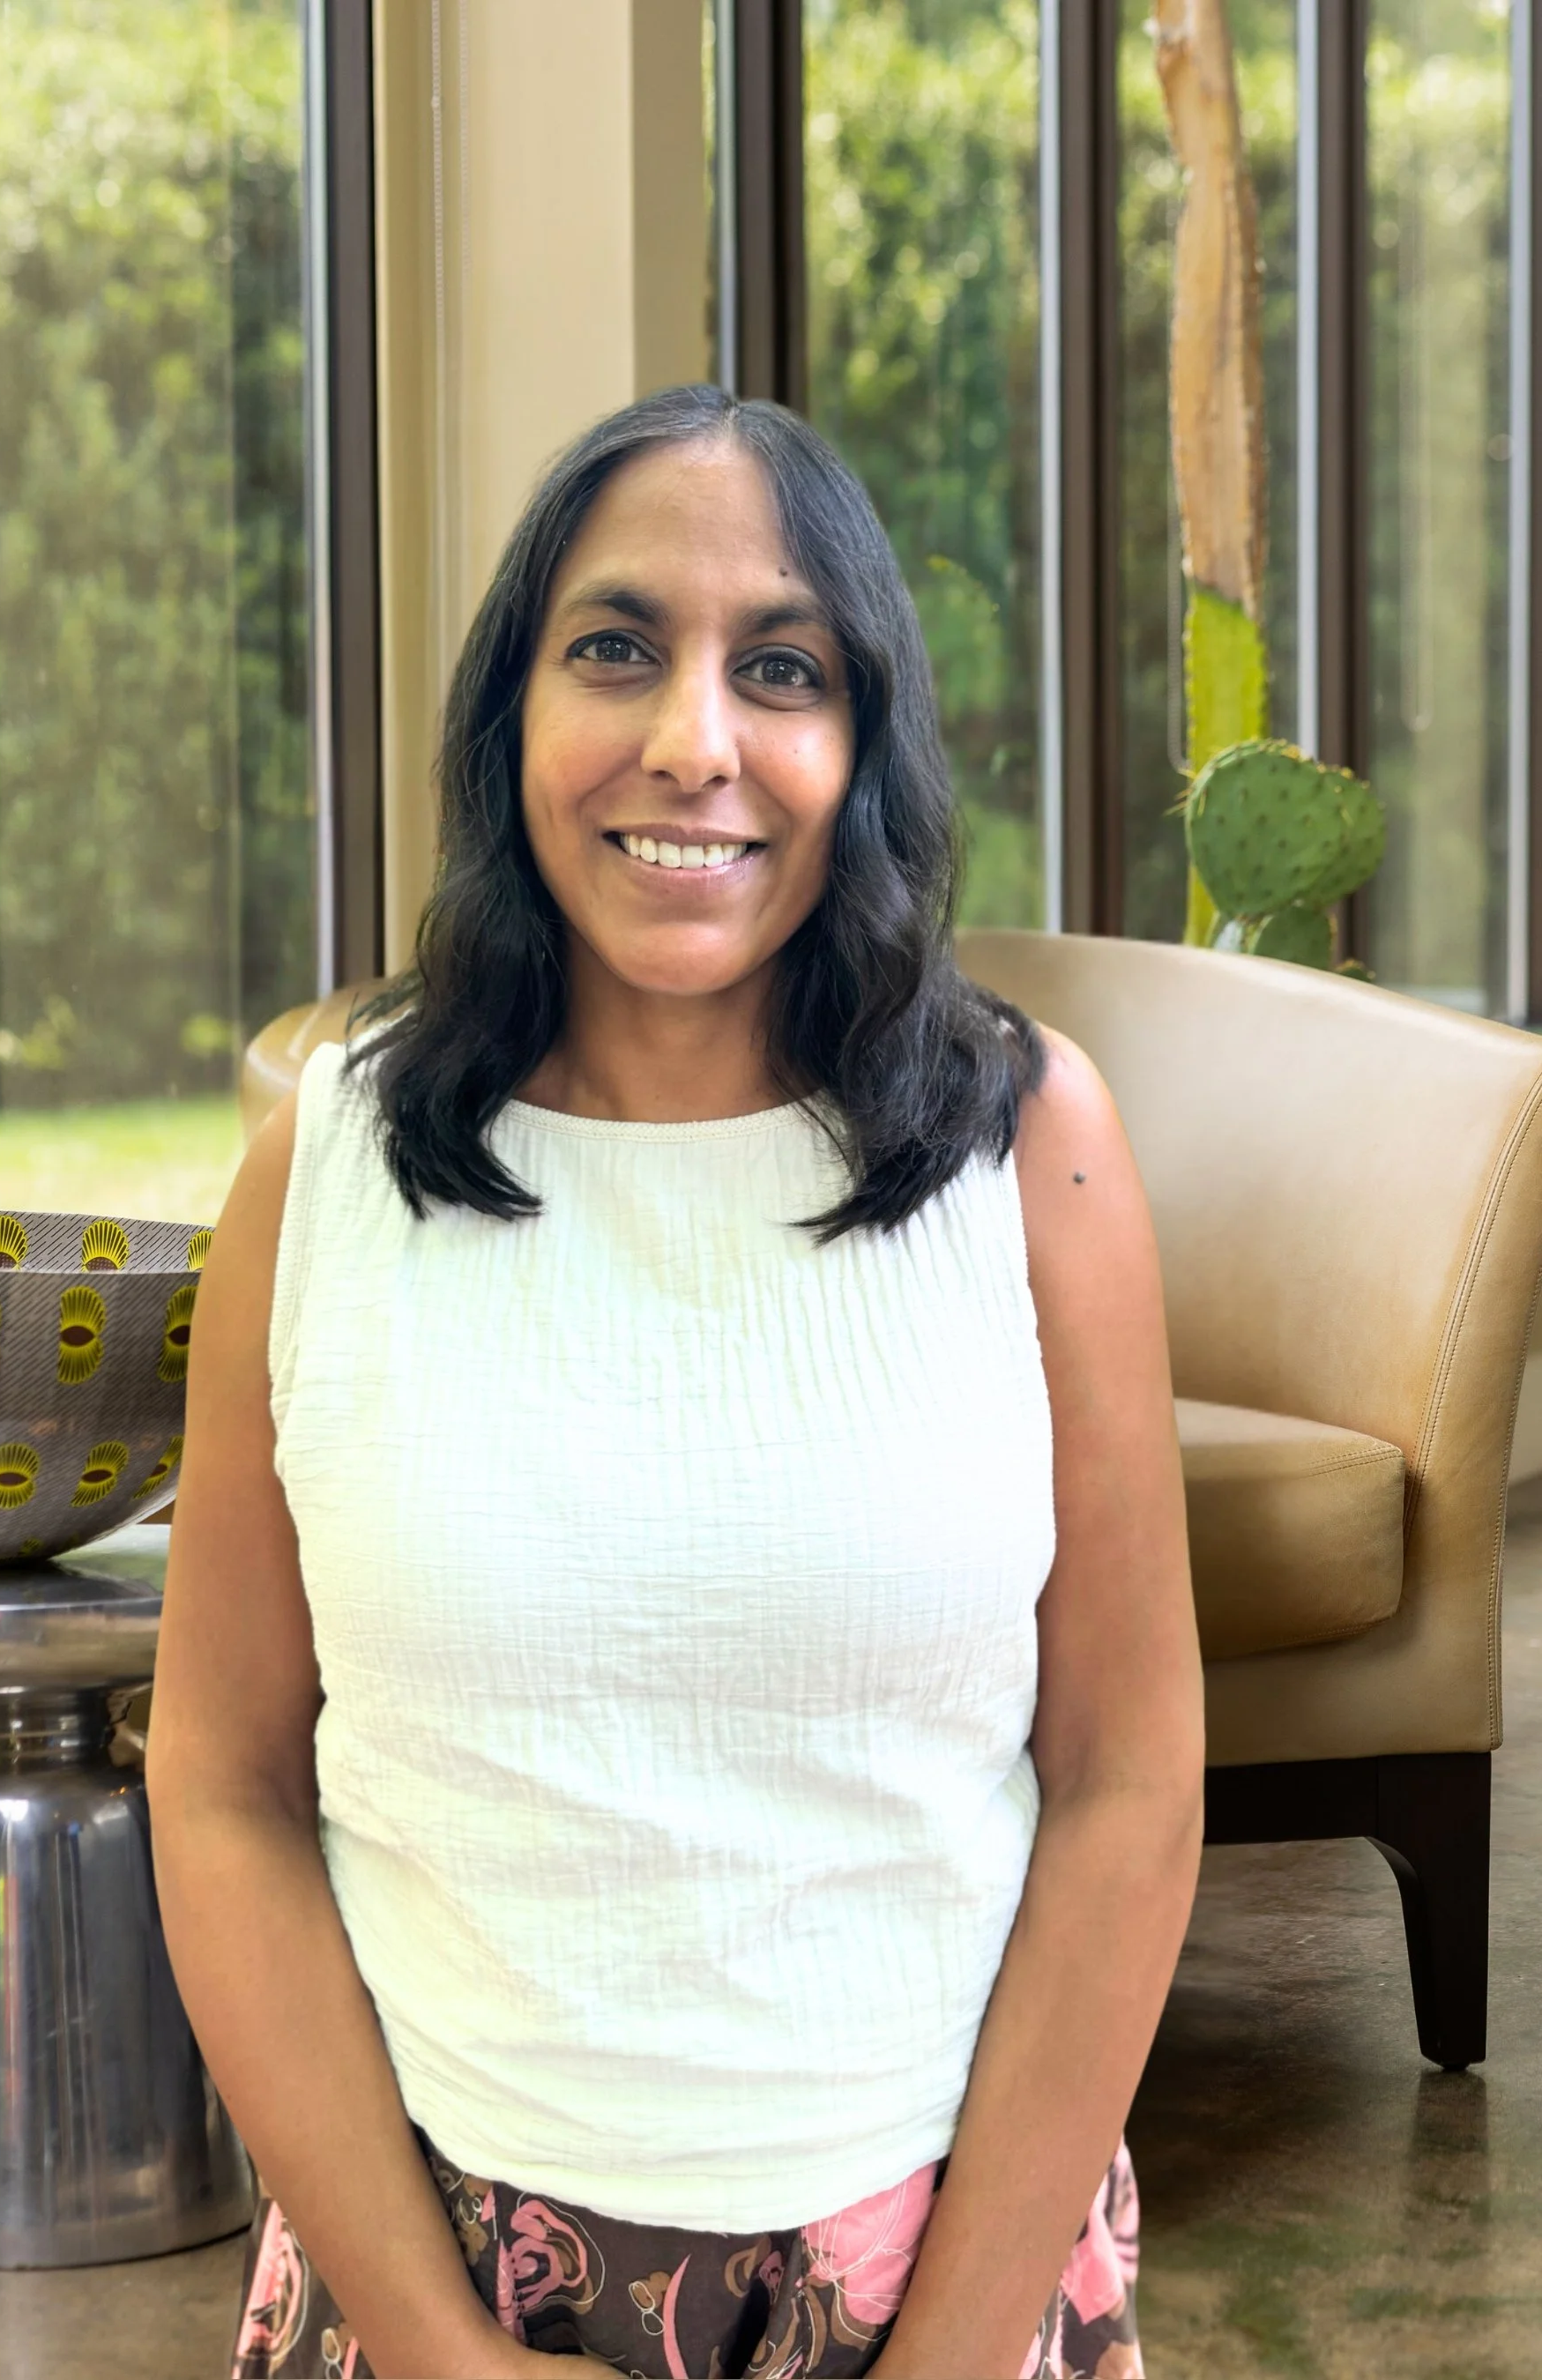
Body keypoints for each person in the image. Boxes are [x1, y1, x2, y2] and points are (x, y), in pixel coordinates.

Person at [146, 383, 1203, 2380]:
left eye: (780, 668)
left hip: (934, 2274)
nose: (692, 742)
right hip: (435, 2267)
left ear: (862, 742)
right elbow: (219, 1781)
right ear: (511, 719)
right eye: (614, 647)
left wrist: (965, 2347)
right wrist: (439, 2348)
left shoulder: (1031, 1151)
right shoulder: (331, 1166)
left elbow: (1131, 1782)